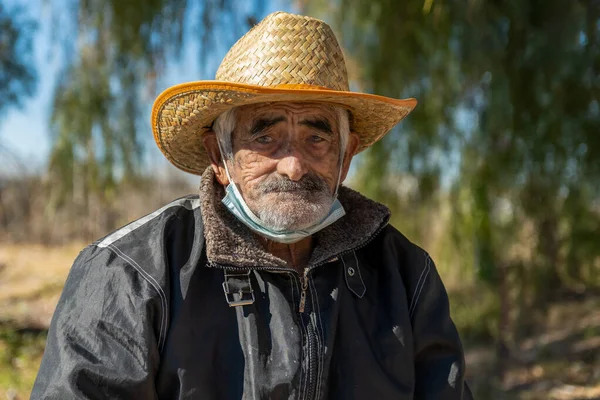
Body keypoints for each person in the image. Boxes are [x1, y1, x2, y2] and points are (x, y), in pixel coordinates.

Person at [32, 11, 473, 399]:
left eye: (317, 137)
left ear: (347, 157)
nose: (294, 165)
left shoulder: (406, 275)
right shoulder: (132, 273)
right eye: (265, 136)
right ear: (218, 157)